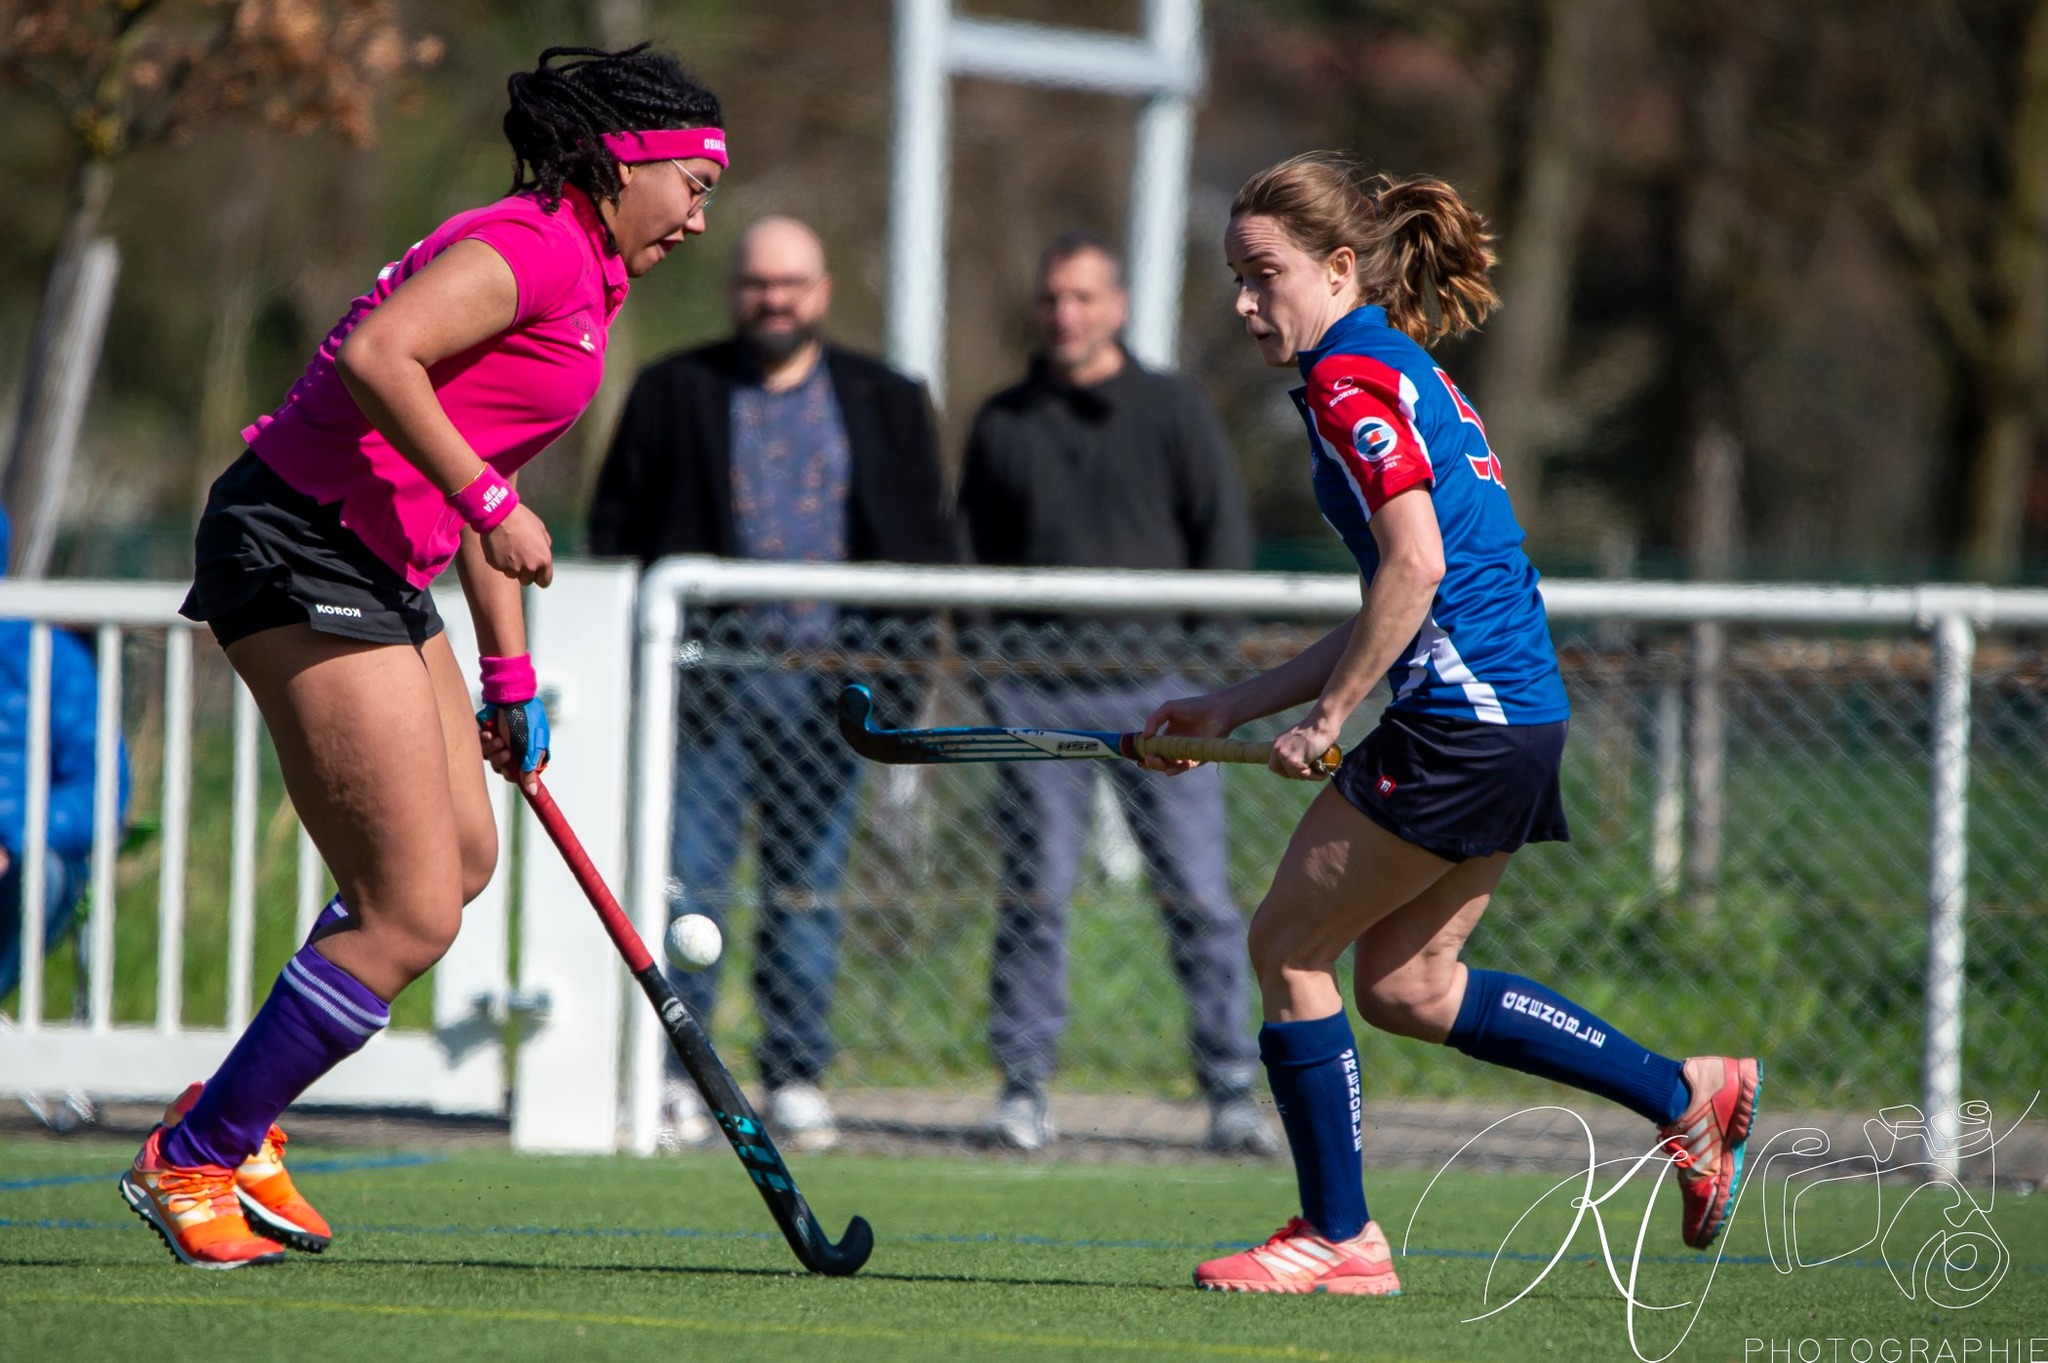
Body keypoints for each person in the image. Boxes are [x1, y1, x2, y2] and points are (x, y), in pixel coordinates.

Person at [117, 45, 727, 1270]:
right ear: (624, 164)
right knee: (407, 908)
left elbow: (481, 471)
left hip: (379, 559)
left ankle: (232, 1111)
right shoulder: (534, 244)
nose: (703, 218)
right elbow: (375, 358)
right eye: (695, 186)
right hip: (299, 542)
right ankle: (199, 1148)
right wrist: (488, 507)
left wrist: (509, 680)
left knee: (460, 860)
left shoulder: (589, 273)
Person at [1141, 152, 1761, 1294]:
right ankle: (1685, 1093)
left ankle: (1338, 1234)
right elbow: (1404, 587)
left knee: (1286, 948)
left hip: (1460, 723)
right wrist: (1237, 704)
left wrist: (1327, 718)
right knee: (1408, 986)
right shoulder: (1392, 364)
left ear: (1337, 268)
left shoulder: (1345, 381)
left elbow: (1414, 569)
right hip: (1517, 719)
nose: (1241, 303)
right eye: (1232, 276)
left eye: (1261, 274)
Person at [590, 216, 954, 1152]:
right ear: (734, 292)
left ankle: (796, 1074)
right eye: (757, 283)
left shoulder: (887, 399)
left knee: (807, 891)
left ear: (822, 291)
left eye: (791, 282)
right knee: (688, 891)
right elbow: (614, 529)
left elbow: (924, 546)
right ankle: (683, 1077)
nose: (774, 299)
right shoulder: (675, 392)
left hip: (834, 690)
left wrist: (901, 679)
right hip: (706, 690)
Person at [957, 230, 1275, 1156]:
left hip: (1161, 699)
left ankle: (1229, 1090)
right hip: (1039, 704)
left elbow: (1221, 538)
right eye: (1054, 299)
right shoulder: (1004, 420)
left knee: (1199, 898)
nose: (1067, 315)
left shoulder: (1175, 409)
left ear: (1118, 305)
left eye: (1085, 298)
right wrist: (996, 682)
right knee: (1035, 895)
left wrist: (1202, 679)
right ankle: (1022, 1088)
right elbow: (970, 559)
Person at [0, 504, 132, 1130]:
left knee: (43, 872)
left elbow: (102, 790)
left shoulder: (49, 655)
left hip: (25, 862)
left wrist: (10, 833)